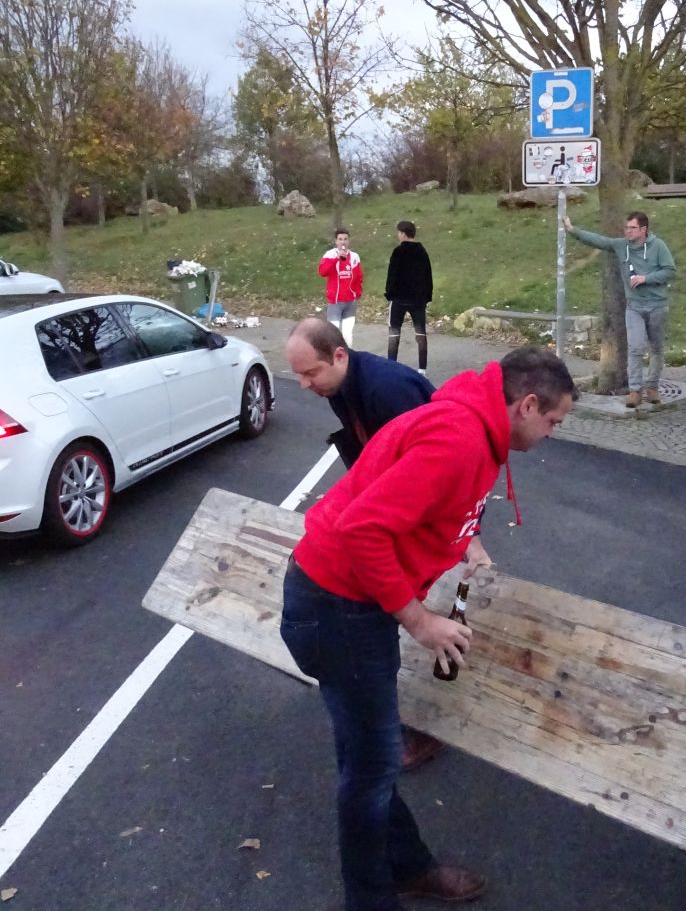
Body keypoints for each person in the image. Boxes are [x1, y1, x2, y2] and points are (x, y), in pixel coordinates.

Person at [280, 346, 578, 911]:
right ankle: (374, 899)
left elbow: (422, 507)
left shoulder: (477, 431)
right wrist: (420, 622)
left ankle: (409, 866)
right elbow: (361, 530)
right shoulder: (458, 439)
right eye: (553, 422)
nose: (552, 433)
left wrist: (462, 543)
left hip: (343, 603)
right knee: (368, 773)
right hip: (337, 607)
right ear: (528, 404)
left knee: (367, 759)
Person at [285, 318, 486, 773]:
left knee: (386, 631)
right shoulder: (340, 386)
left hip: (415, 524)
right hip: (386, 520)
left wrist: (469, 536)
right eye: (297, 375)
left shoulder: (388, 390)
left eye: (310, 373)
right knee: (373, 635)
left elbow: (443, 468)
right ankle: (388, 721)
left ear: (340, 355)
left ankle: (409, 728)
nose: (303, 384)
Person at [563, 211, 675, 407]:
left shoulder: (658, 246)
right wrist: (573, 230)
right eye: (626, 228)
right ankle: (635, 391)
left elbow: (669, 271)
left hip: (657, 306)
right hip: (634, 307)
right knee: (635, 348)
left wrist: (645, 278)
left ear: (643, 229)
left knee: (656, 348)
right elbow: (599, 241)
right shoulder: (621, 245)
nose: (628, 231)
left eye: (632, 228)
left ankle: (652, 387)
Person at [384, 220, 433, 375]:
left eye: (398, 233)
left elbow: (392, 275)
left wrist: (389, 294)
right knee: (420, 332)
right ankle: (422, 368)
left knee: (394, 332)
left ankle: (391, 365)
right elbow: (428, 276)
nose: (398, 236)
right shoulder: (422, 252)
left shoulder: (398, 252)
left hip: (399, 299)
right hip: (418, 300)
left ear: (403, 234)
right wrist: (426, 297)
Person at [319, 228, 362, 345]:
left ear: (349, 241)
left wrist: (357, 293)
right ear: (336, 241)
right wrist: (336, 259)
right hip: (335, 301)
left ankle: (349, 358)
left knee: (348, 333)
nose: (343, 242)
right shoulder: (330, 255)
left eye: (345, 239)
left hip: (350, 301)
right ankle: (333, 359)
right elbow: (322, 272)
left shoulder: (354, 257)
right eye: (340, 239)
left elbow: (359, 276)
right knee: (333, 333)